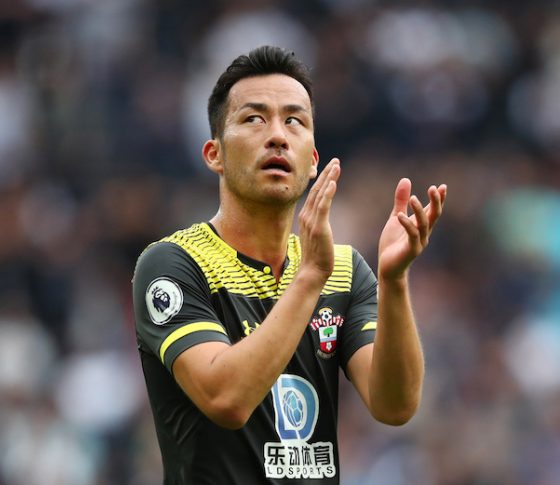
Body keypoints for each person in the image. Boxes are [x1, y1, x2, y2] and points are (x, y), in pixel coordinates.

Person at [132, 45, 447, 484]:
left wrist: (394, 281)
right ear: (214, 154)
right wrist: (309, 278)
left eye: (294, 121)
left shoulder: (344, 270)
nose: (278, 136)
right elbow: (226, 399)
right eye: (254, 119)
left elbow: (395, 405)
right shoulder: (174, 264)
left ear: (313, 159)